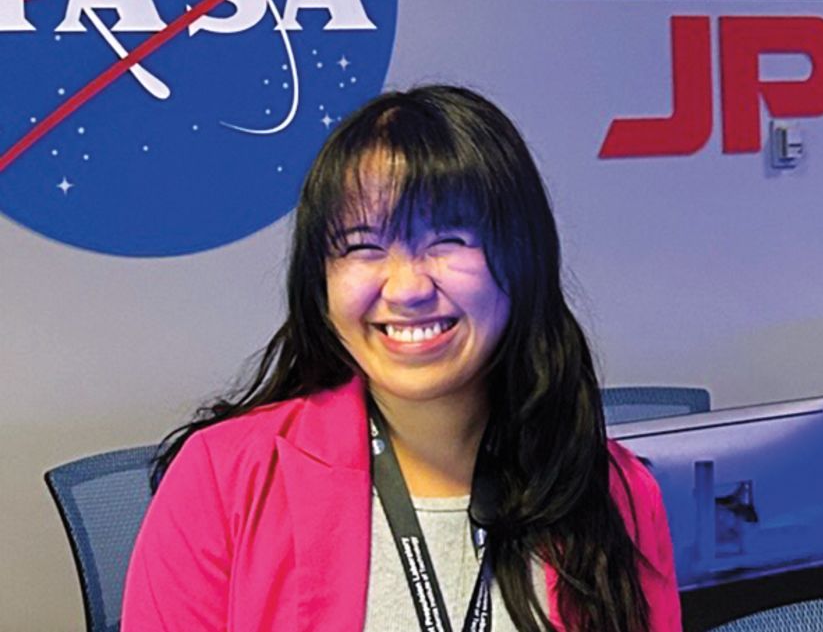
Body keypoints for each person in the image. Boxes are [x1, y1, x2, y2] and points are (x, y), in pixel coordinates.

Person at [122, 85, 681, 631]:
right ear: (321, 281)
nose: (407, 288)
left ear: (522, 258)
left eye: (448, 239)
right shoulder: (224, 478)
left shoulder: (612, 491)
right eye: (362, 246)